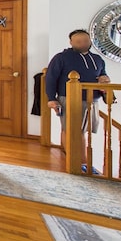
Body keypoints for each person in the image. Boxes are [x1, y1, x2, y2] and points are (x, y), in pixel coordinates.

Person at [45, 29, 110, 173]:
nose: (83, 44)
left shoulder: (98, 59)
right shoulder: (61, 57)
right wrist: (51, 99)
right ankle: (78, 162)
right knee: (69, 130)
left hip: (92, 100)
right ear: (71, 42)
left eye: (86, 41)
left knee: (82, 132)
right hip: (69, 99)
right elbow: (50, 78)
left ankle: (82, 163)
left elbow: (103, 75)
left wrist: (104, 79)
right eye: (78, 41)